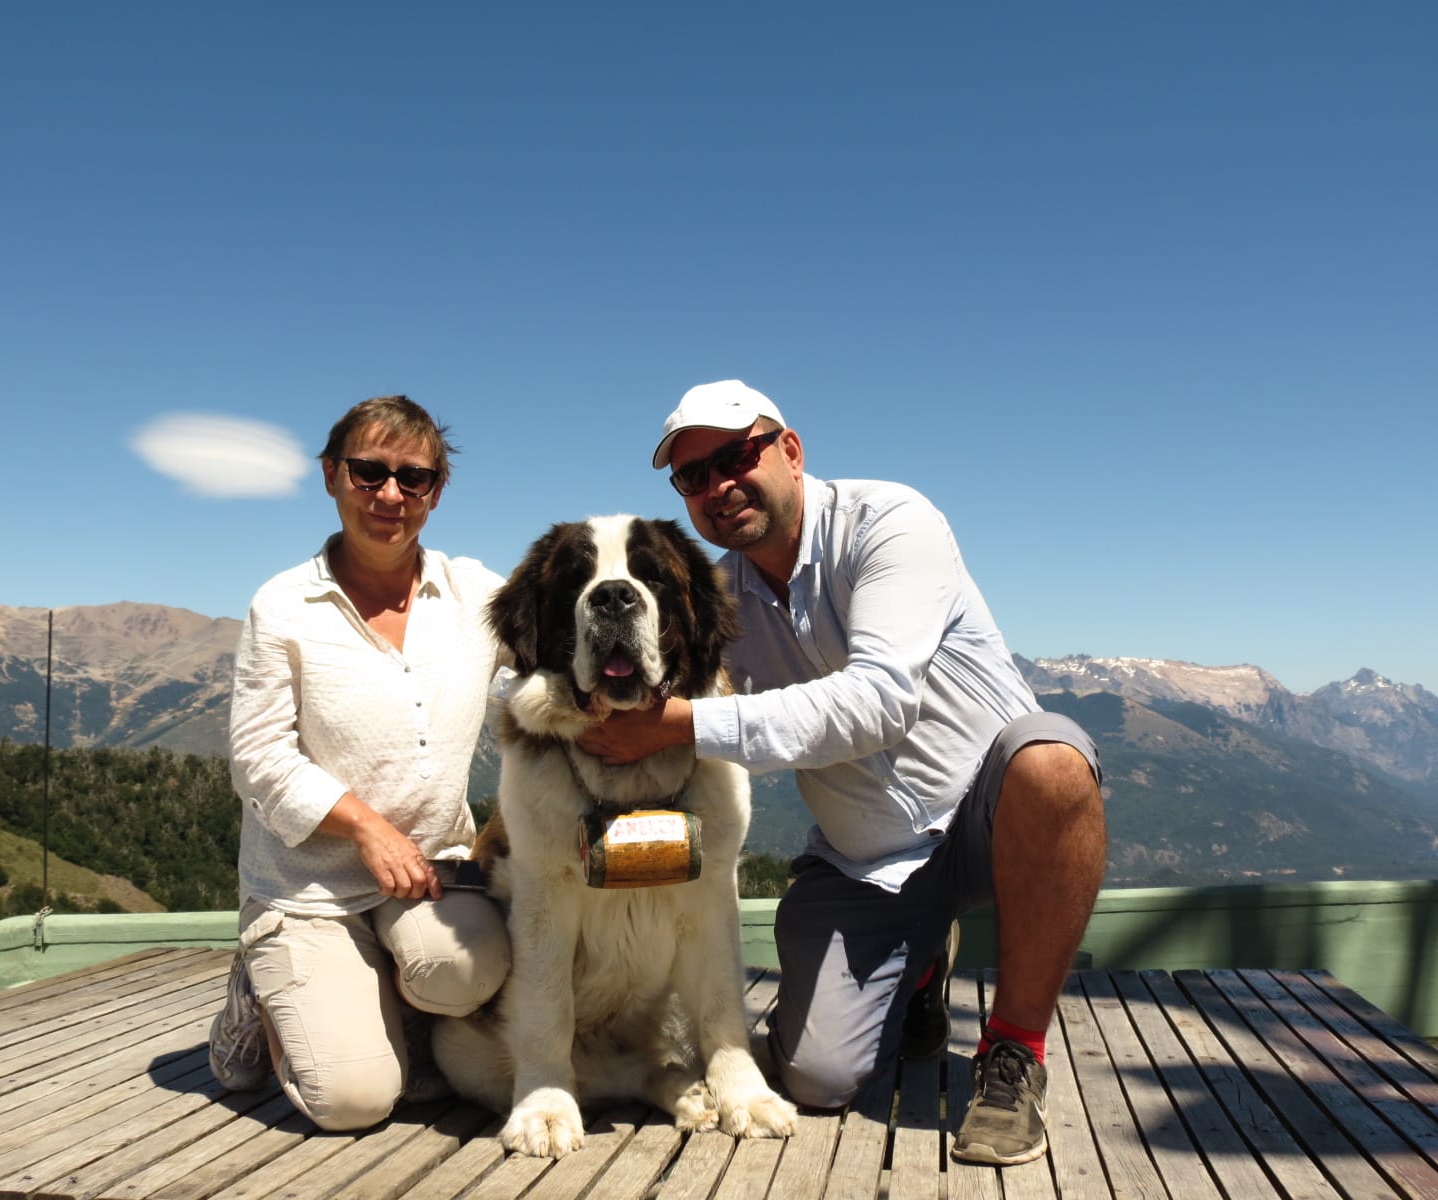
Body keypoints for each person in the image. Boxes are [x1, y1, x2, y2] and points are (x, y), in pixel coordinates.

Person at [578, 379, 1106, 1166]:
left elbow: (878, 703)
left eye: (735, 456)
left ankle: (1014, 1053)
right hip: (869, 860)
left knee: (1055, 763)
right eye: (692, 476)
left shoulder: (892, 521)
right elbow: (651, 685)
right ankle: (920, 969)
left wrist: (680, 724)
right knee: (816, 1078)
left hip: (992, 818)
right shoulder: (719, 599)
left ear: (790, 450)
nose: (718, 486)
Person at [208, 395, 511, 1131]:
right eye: (368, 471)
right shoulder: (283, 605)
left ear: (437, 492)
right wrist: (368, 829)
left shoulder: (476, 593)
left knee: (469, 971)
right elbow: (258, 758)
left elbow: (553, 670)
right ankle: (255, 994)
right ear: (330, 476)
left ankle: (384, 993)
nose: (389, 496)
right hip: (308, 887)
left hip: (430, 874)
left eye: (414, 479)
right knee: (352, 1102)